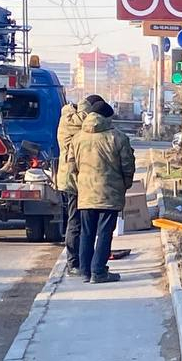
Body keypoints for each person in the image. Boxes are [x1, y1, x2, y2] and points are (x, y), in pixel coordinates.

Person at [68, 101, 136, 283]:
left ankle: (85, 271)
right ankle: (98, 271)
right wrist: (125, 185)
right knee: (105, 232)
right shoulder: (118, 137)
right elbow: (127, 166)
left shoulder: (77, 138)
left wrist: (79, 186)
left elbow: (71, 167)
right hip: (110, 193)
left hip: (85, 194)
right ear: (107, 117)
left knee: (86, 233)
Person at [56, 95, 107, 276]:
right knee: (76, 222)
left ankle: (80, 261)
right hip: (74, 179)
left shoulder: (69, 117)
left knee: (78, 222)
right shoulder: (80, 121)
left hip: (71, 177)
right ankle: (74, 263)